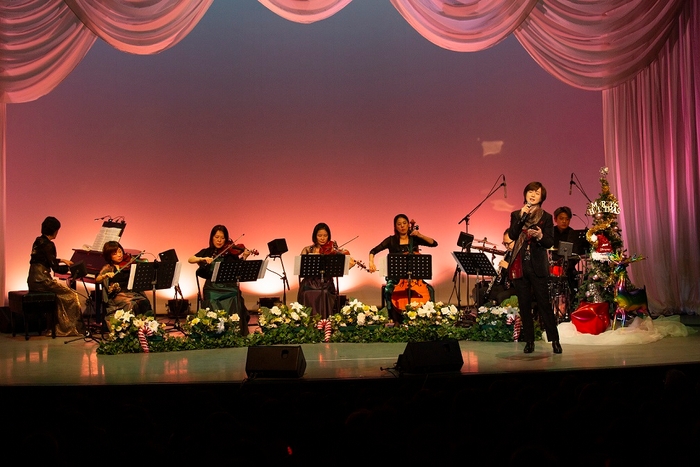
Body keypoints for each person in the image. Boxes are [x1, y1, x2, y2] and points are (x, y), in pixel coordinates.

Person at [507, 182, 561, 354]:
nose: (533, 195)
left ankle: (555, 341)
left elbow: (549, 242)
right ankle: (529, 341)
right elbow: (512, 234)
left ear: (542, 197)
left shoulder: (546, 217)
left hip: (538, 266)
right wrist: (522, 217)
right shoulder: (516, 214)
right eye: (530, 191)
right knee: (524, 305)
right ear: (525, 194)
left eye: (537, 193)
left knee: (544, 304)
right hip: (520, 264)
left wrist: (540, 236)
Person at [368, 214, 438, 323]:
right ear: (395, 227)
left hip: (414, 278)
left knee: (430, 289)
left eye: (404, 223)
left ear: (408, 225)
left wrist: (420, 235)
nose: (402, 226)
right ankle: (393, 319)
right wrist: (371, 262)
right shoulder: (391, 240)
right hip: (396, 278)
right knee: (388, 290)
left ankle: (429, 318)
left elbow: (434, 243)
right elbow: (373, 251)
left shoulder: (414, 239)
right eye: (399, 224)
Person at [188, 225, 252, 336]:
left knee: (236, 295)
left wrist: (245, 257)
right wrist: (203, 259)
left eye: (222, 238)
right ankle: (214, 333)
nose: (219, 240)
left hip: (229, 287)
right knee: (211, 300)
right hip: (212, 288)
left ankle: (234, 333)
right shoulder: (207, 252)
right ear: (212, 238)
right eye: (217, 237)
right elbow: (190, 259)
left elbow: (238, 270)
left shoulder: (231, 254)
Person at [27, 216, 84, 337]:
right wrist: (71, 269)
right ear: (55, 230)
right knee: (71, 295)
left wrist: (61, 260)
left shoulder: (38, 241)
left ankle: (56, 326)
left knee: (60, 295)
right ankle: (68, 329)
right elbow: (56, 269)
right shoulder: (50, 245)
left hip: (33, 280)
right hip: (43, 281)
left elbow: (43, 258)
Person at [298, 222, 356, 318]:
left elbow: (342, 266)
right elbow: (301, 268)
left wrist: (349, 264)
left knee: (324, 292)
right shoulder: (307, 249)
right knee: (306, 293)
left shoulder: (332, 250)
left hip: (326, 282)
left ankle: (325, 321)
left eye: (325, 235)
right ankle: (308, 320)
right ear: (315, 236)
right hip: (309, 283)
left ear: (329, 236)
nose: (322, 238)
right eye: (319, 235)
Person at [95, 241, 152, 317]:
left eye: (120, 251)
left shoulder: (129, 264)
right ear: (109, 256)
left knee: (144, 302)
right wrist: (105, 276)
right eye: (114, 254)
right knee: (130, 304)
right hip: (117, 295)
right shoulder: (108, 267)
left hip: (132, 293)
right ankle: (129, 323)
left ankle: (145, 323)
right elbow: (97, 279)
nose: (119, 255)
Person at [482, 230, 517, 307]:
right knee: (482, 292)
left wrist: (508, 267)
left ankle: (500, 313)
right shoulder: (507, 253)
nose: (506, 246)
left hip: (516, 286)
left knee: (500, 296)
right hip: (506, 285)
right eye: (504, 243)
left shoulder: (521, 254)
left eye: (508, 243)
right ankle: (484, 313)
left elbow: (523, 274)